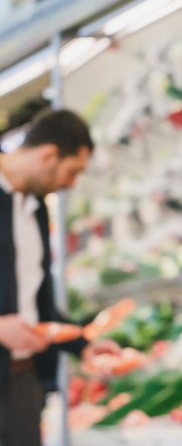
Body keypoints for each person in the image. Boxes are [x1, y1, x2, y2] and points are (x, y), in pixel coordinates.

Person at [0, 109, 118, 446]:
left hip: (22, 380)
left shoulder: (34, 209)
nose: (71, 184)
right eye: (72, 171)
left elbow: (39, 304)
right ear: (49, 154)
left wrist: (84, 344)